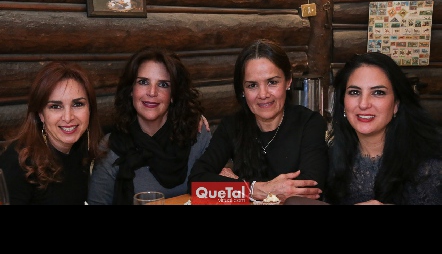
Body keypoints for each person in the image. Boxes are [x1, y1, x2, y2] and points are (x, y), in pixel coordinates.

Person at [187, 39, 329, 203]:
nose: (263, 94)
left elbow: (310, 190)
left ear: (288, 81)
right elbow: (197, 183)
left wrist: (236, 184)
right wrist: (255, 189)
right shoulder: (232, 125)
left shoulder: (309, 123)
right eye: (252, 85)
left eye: (272, 82)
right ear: (242, 89)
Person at [87, 46, 211, 205]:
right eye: (143, 82)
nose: (152, 92)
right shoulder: (111, 148)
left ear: (173, 95)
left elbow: (220, 192)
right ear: (131, 90)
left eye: (163, 84)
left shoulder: (197, 135)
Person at [324, 52, 442, 205]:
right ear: (343, 103)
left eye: (378, 93)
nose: (364, 104)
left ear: (396, 104)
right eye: (354, 92)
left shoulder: (432, 164)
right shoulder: (327, 157)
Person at [0, 61, 103, 205]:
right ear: (41, 114)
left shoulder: (83, 152)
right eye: (55, 106)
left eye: (78, 104)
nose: (68, 117)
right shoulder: (18, 163)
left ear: (90, 110)